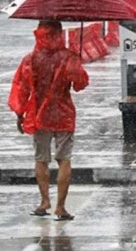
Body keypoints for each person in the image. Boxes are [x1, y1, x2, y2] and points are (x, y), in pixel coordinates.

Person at [8, 20, 89, 220]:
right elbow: (79, 85)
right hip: (63, 114)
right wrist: (76, 65)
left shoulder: (31, 59)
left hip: (39, 115)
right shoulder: (68, 57)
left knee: (41, 159)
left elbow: (21, 88)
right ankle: (60, 207)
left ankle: (44, 201)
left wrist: (20, 115)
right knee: (64, 159)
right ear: (59, 34)